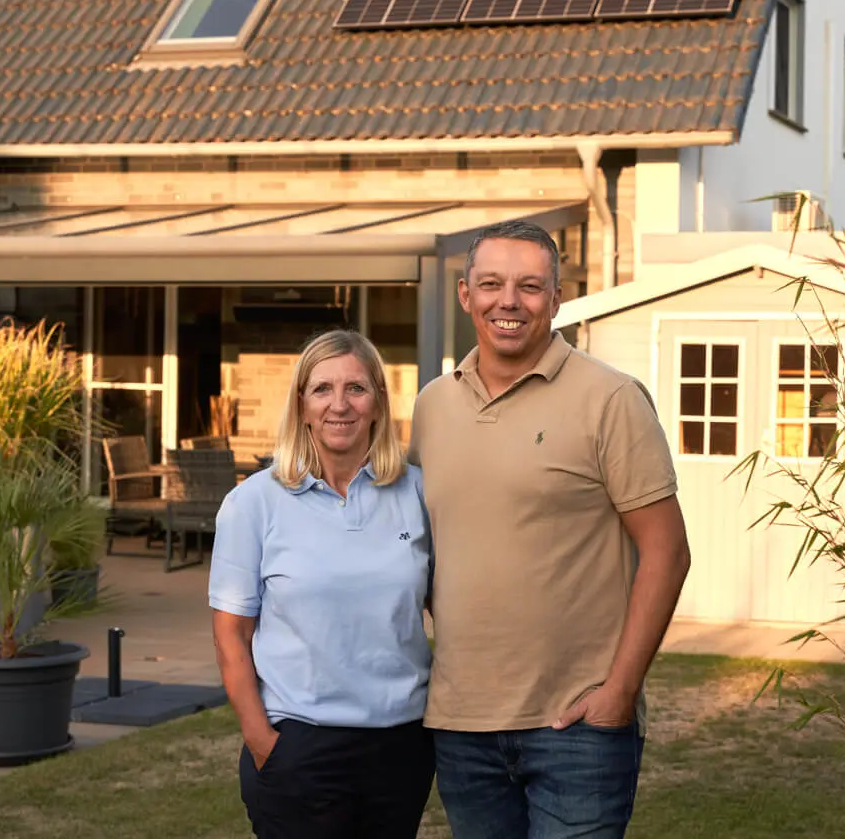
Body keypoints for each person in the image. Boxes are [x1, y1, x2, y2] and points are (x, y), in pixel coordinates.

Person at [410, 220, 692, 839]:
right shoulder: (433, 405)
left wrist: (619, 694)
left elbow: (667, 552)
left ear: (556, 300)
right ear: (465, 295)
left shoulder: (611, 399)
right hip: (461, 725)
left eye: (529, 286)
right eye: (491, 284)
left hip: (578, 726)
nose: (508, 301)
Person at [209, 329, 433, 839]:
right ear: (302, 406)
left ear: (378, 402)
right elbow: (231, 636)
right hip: (298, 747)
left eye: (356, 388)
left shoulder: (418, 492)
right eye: (322, 389)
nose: (340, 405)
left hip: (400, 747)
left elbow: (454, 606)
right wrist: (262, 741)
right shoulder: (255, 503)